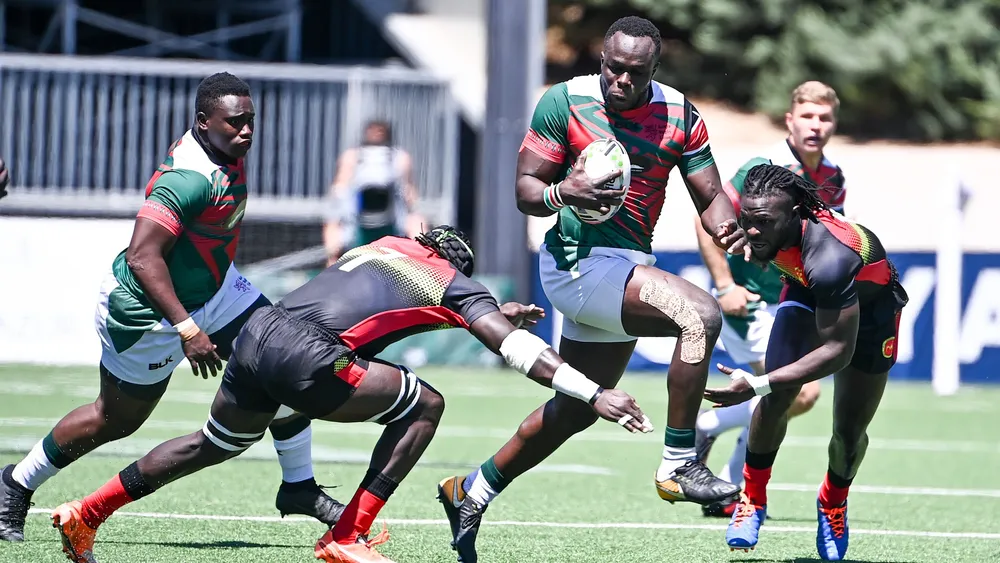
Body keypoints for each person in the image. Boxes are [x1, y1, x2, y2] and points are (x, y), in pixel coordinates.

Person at [50, 226, 652, 563]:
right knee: (427, 404)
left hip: (259, 332)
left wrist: (491, 312)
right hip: (306, 353)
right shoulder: (455, 285)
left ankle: (87, 512)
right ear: (455, 265)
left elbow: (388, 302)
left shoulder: (386, 246)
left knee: (213, 444)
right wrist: (593, 392)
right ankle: (345, 537)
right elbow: (514, 350)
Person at [435, 15, 748, 563]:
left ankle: (471, 492)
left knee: (576, 408)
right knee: (699, 316)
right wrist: (567, 191)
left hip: (624, 267)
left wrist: (731, 226)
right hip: (575, 264)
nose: (620, 81)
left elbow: (711, 195)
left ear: (653, 69)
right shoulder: (563, 101)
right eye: (612, 68)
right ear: (601, 60)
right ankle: (679, 461)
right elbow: (526, 192)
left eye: (634, 72)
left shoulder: (679, 113)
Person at [0, 73, 343, 543]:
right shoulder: (189, 179)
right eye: (234, 123)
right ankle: (15, 483)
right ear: (203, 123)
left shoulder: (225, 149)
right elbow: (142, 256)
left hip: (218, 291)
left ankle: (299, 486)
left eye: (251, 122)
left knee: (279, 358)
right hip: (147, 312)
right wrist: (185, 327)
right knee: (114, 420)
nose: (246, 132)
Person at [703, 164, 908, 561]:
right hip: (803, 291)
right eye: (747, 219)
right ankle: (752, 499)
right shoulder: (760, 223)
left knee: (848, 434)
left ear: (796, 214)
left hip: (871, 314)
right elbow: (709, 207)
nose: (753, 230)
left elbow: (837, 352)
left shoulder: (829, 258)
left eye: (763, 222)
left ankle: (833, 503)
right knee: (778, 397)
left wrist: (760, 381)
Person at [693, 81, 846, 518]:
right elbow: (704, 220)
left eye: (825, 118)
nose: (816, 126)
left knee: (789, 394)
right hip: (753, 301)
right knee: (795, 391)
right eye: (808, 116)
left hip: (794, 300)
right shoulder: (763, 170)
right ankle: (737, 487)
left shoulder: (834, 178)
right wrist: (725, 285)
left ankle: (716, 442)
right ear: (790, 120)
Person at [323, 120, 424, 266]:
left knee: (417, 222)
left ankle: (421, 266)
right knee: (333, 226)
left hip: (393, 220)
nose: (376, 134)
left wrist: (412, 207)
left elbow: (409, 191)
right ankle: (332, 270)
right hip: (356, 220)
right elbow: (340, 188)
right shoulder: (352, 156)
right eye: (373, 131)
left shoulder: (400, 157)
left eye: (380, 131)